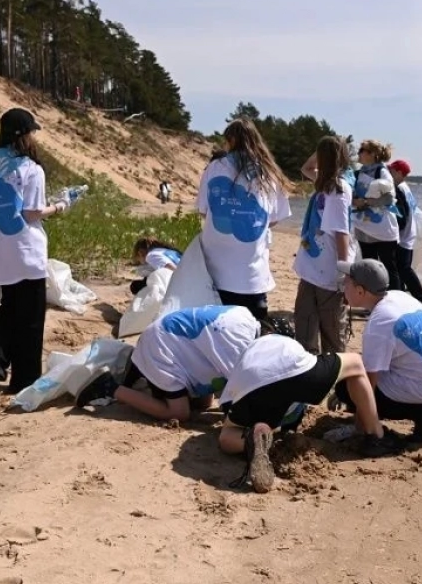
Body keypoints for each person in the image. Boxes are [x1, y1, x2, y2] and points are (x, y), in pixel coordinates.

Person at [0, 107, 78, 394]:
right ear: (25, 135)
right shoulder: (30, 169)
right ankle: (24, 381)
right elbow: (32, 213)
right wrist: (60, 205)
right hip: (26, 250)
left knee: (12, 304)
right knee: (31, 318)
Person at [218, 324, 403, 492]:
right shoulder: (286, 342)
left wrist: (233, 422)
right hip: (293, 370)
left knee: (227, 435)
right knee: (355, 362)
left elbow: (227, 400)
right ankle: (375, 435)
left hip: (249, 388)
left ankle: (252, 441)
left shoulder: (251, 350)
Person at [333, 259, 422, 446]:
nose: (343, 285)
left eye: (347, 282)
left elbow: (367, 383)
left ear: (360, 291)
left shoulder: (379, 323)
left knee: (347, 384)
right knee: (367, 364)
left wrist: (360, 426)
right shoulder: (398, 295)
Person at [73, 305, 260, 421]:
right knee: (179, 413)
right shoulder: (237, 347)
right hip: (161, 347)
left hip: (173, 340)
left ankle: (143, 373)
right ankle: (109, 387)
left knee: (203, 404)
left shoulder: (247, 320)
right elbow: (242, 394)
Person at [197, 119, 292, 322]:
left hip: (216, 271)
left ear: (231, 140)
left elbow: (204, 211)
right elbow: (273, 218)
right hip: (252, 275)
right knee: (252, 327)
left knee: (219, 327)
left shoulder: (214, 167)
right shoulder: (268, 172)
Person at [293, 136, 354, 354]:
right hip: (312, 267)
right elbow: (306, 168)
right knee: (305, 324)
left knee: (332, 332)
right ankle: (310, 366)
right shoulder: (324, 183)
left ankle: (333, 370)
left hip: (329, 270)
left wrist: (344, 272)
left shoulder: (337, 189)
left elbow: (341, 233)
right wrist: (327, 148)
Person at [351, 140, 401, 292]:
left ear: (372, 154)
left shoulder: (382, 172)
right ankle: (372, 298)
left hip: (382, 229)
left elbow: (389, 198)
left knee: (388, 267)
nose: (358, 153)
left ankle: (395, 299)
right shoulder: (359, 173)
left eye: (362, 150)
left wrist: (366, 202)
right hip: (364, 228)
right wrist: (354, 201)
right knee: (369, 267)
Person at [387, 159, 422, 308]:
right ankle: (401, 302)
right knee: (401, 270)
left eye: (391, 171)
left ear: (399, 173)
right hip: (409, 234)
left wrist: (396, 231)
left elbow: (403, 214)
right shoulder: (405, 187)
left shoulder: (399, 189)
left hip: (403, 236)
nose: (389, 173)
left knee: (403, 269)